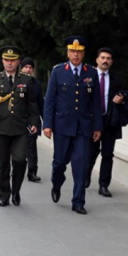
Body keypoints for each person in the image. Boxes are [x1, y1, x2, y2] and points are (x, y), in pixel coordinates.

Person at [43, 36, 102, 215]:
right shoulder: (58, 72)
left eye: (79, 52)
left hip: (83, 127)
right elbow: (50, 101)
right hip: (62, 125)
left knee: (81, 165)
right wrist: (47, 124)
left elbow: (96, 103)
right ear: (68, 53)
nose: (75, 55)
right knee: (59, 163)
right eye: (72, 51)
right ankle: (56, 183)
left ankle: (78, 201)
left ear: (83, 54)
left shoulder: (91, 73)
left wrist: (97, 126)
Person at [0, 47, 40, 207]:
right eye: (6, 60)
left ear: (18, 62)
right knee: (2, 163)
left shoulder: (26, 80)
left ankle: (16, 190)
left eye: (12, 60)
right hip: (0, 127)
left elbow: (32, 104)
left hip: (20, 128)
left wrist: (34, 123)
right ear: (2, 61)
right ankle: (4, 194)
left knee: (20, 160)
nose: (9, 63)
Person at [87, 48, 125, 197]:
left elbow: (124, 96)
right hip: (92, 121)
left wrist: (121, 100)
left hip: (110, 121)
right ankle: (86, 174)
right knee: (91, 152)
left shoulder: (117, 79)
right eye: (102, 57)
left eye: (108, 58)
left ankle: (103, 185)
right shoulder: (88, 77)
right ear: (97, 60)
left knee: (108, 154)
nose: (105, 61)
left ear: (111, 61)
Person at [20, 57, 44, 182]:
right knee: (18, 148)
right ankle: (18, 169)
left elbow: (40, 103)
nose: (28, 69)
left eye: (30, 67)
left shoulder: (37, 84)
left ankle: (32, 171)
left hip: (31, 119)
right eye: (26, 67)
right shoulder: (16, 81)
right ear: (21, 68)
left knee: (31, 146)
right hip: (18, 120)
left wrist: (46, 122)